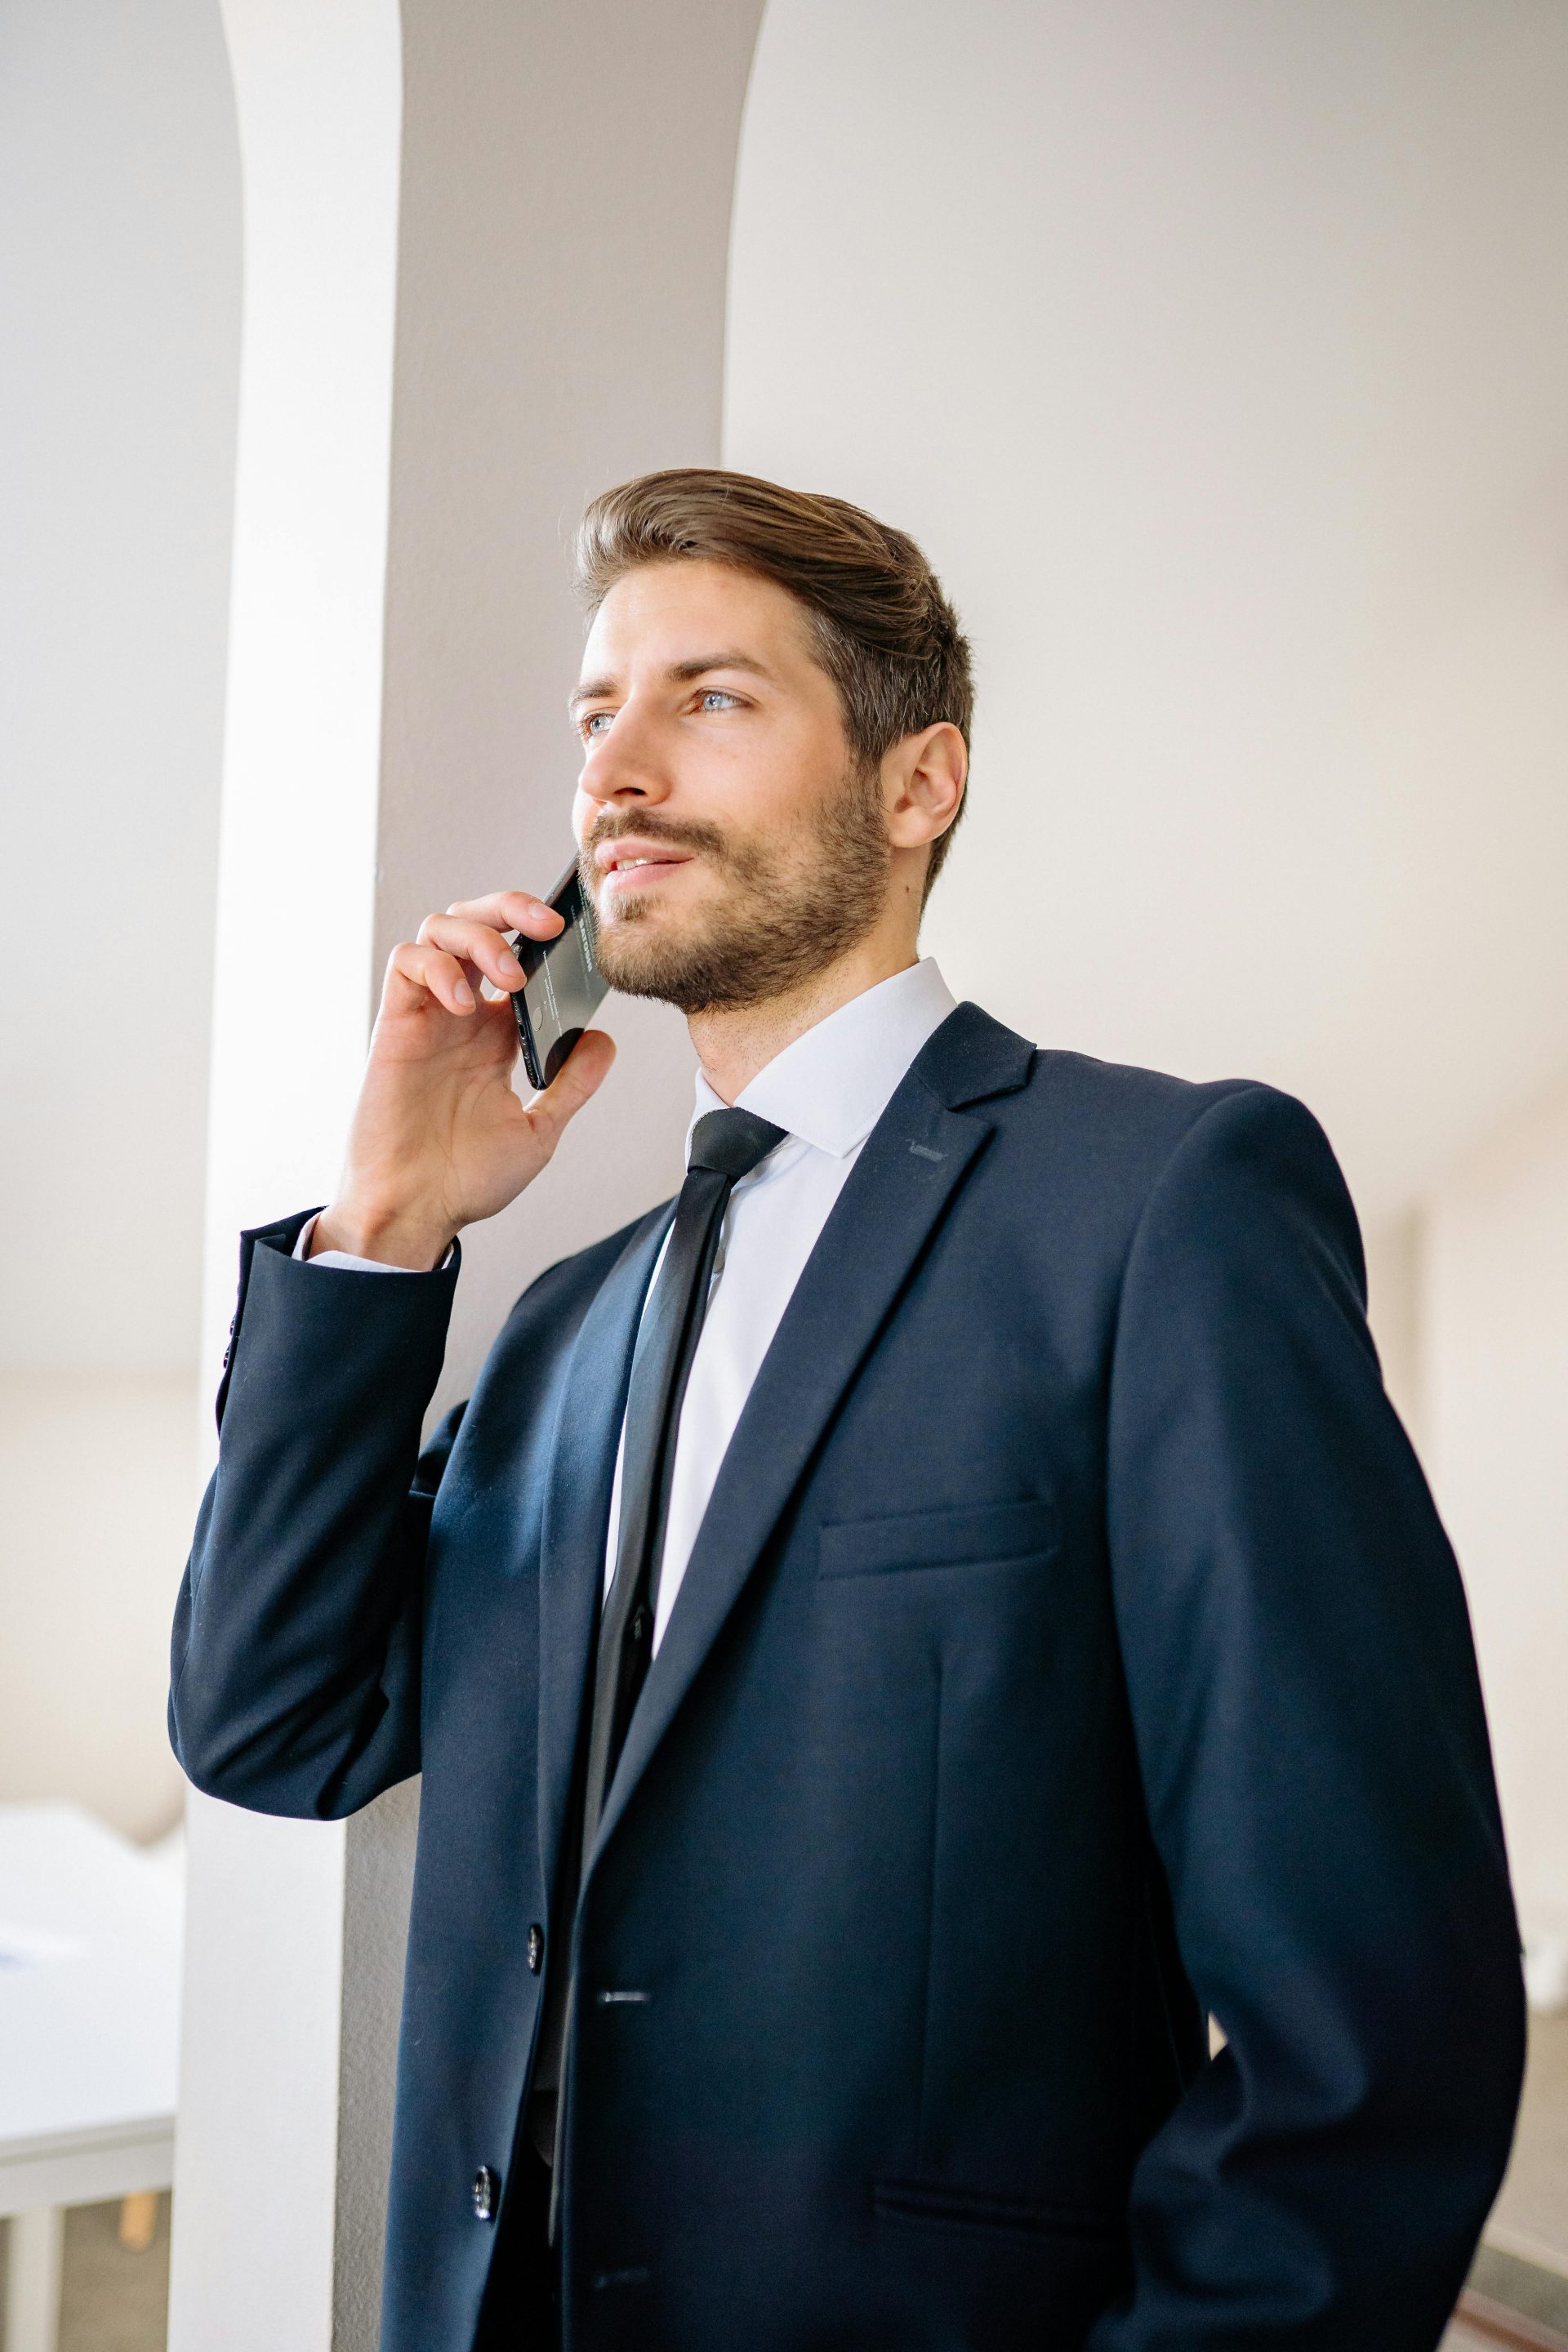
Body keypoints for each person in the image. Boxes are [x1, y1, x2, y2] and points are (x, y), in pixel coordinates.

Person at [170, 468, 1523, 2352]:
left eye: (707, 700)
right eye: (596, 717)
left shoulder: (1161, 1203)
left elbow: (1374, 2026)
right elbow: (272, 1721)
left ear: (915, 786)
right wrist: (384, 1225)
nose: (616, 773)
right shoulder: (567, 1327)